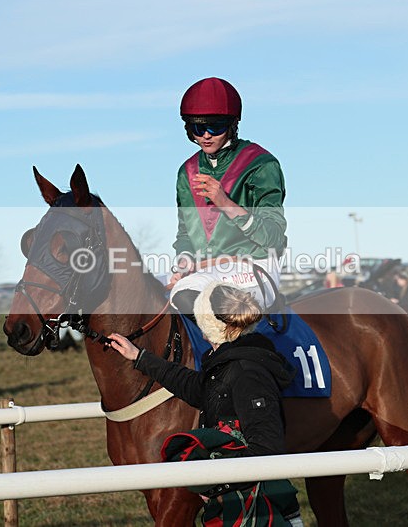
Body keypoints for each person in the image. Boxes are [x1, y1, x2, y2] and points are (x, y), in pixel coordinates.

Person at [108, 283, 302, 526]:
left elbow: (267, 448)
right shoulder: (229, 361)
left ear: (209, 324)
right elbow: (196, 388)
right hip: (237, 501)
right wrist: (140, 357)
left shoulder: (246, 372)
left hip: (259, 509)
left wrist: (214, 483)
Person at [169, 77, 288, 317]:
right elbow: (185, 233)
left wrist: (226, 203)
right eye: (197, 128)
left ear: (233, 125)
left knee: (196, 298)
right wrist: (184, 260)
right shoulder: (187, 171)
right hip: (205, 271)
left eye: (215, 126)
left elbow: (273, 237)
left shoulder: (261, 164)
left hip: (254, 266)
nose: (205, 135)